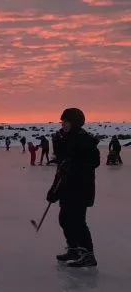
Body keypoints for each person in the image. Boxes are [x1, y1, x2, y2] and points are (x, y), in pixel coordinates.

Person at [47, 108, 100, 267]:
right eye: (62, 121)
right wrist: (54, 191)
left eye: (66, 122)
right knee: (64, 219)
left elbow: (93, 162)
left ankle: (88, 254)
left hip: (80, 189)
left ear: (74, 123)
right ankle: (74, 249)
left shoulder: (84, 139)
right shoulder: (66, 138)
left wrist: (73, 165)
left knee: (77, 221)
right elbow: (62, 167)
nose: (63, 124)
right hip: (67, 188)